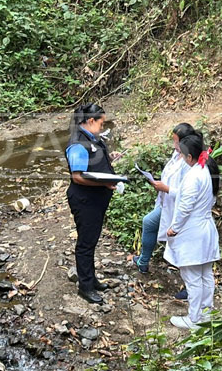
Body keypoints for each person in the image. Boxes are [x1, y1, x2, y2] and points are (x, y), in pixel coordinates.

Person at [132, 123, 197, 299]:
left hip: (180, 209)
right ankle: (143, 261)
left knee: (183, 247)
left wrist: (166, 189)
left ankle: (191, 288)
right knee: (149, 222)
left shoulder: (190, 163)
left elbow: (188, 193)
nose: (174, 145)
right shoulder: (177, 155)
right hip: (168, 204)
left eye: (176, 142)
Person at [64, 103, 121, 304]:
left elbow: (92, 161)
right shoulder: (78, 144)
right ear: (90, 120)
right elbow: (77, 176)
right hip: (85, 200)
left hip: (95, 199)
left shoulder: (91, 138)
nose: (102, 127)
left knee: (91, 240)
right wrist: (105, 183)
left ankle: (91, 279)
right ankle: (85, 287)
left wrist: (109, 158)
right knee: (86, 244)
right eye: (101, 123)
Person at [164, 134, 221, 329]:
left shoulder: (193, 176)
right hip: (206, 228)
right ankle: (207, 314)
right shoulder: (207, 169)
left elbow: (185, 207)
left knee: (192, 277)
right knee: (206, 274)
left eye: (182, 154)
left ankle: (194, 318)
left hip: (192, 232)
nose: (180, 157)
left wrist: (174, 228)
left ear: (189, 157)